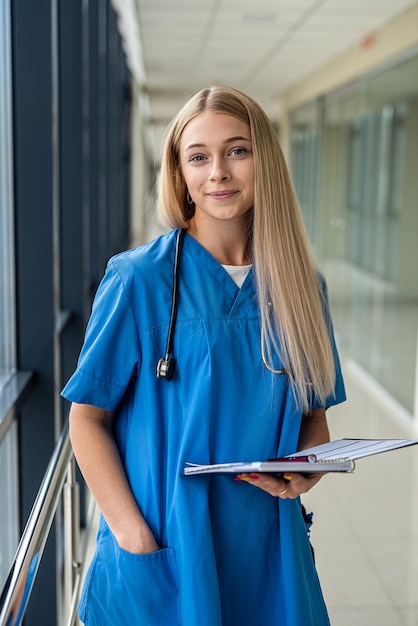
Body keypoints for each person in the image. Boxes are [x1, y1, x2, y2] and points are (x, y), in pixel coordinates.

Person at [62, 84, 346, 626]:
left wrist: (309, 471)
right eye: (199, 156)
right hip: (166, 544)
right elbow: (87, 419)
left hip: (268, 547)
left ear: (264, 159)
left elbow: (314, 417)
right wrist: (131, 533)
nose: (218, 171)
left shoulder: (301, 288)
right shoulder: (138, 279)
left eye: (237, 150)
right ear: (181, 173)